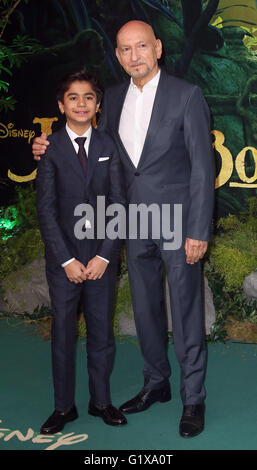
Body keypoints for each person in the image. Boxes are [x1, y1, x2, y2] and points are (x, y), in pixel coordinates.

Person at [33, 21, 215, 438]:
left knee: (185, 313)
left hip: (175, 222)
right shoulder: (110, 99)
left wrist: (198, 228)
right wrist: (44, 143)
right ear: (117, 55)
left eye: (142, 47)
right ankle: (157, 383)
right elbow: (83, 139)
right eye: (125, 49)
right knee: (146, 310)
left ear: (158, 49)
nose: (134, 56)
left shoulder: (186, 95)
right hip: (128, 222)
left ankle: (193, 399)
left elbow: (203, 171)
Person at [36, 70, 127, 434]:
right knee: (63, 333)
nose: (81, 103)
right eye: (73, 97)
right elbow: (45, 209)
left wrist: (104, 256)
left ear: (98, 105)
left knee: (102, 332)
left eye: (88, 97)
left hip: (101, 260)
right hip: (64, 263)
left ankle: (101, 401)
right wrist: (67, 260)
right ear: (61, 106)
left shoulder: (108, 146)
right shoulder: (50, 149)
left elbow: (119, 203)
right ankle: (63, 407)